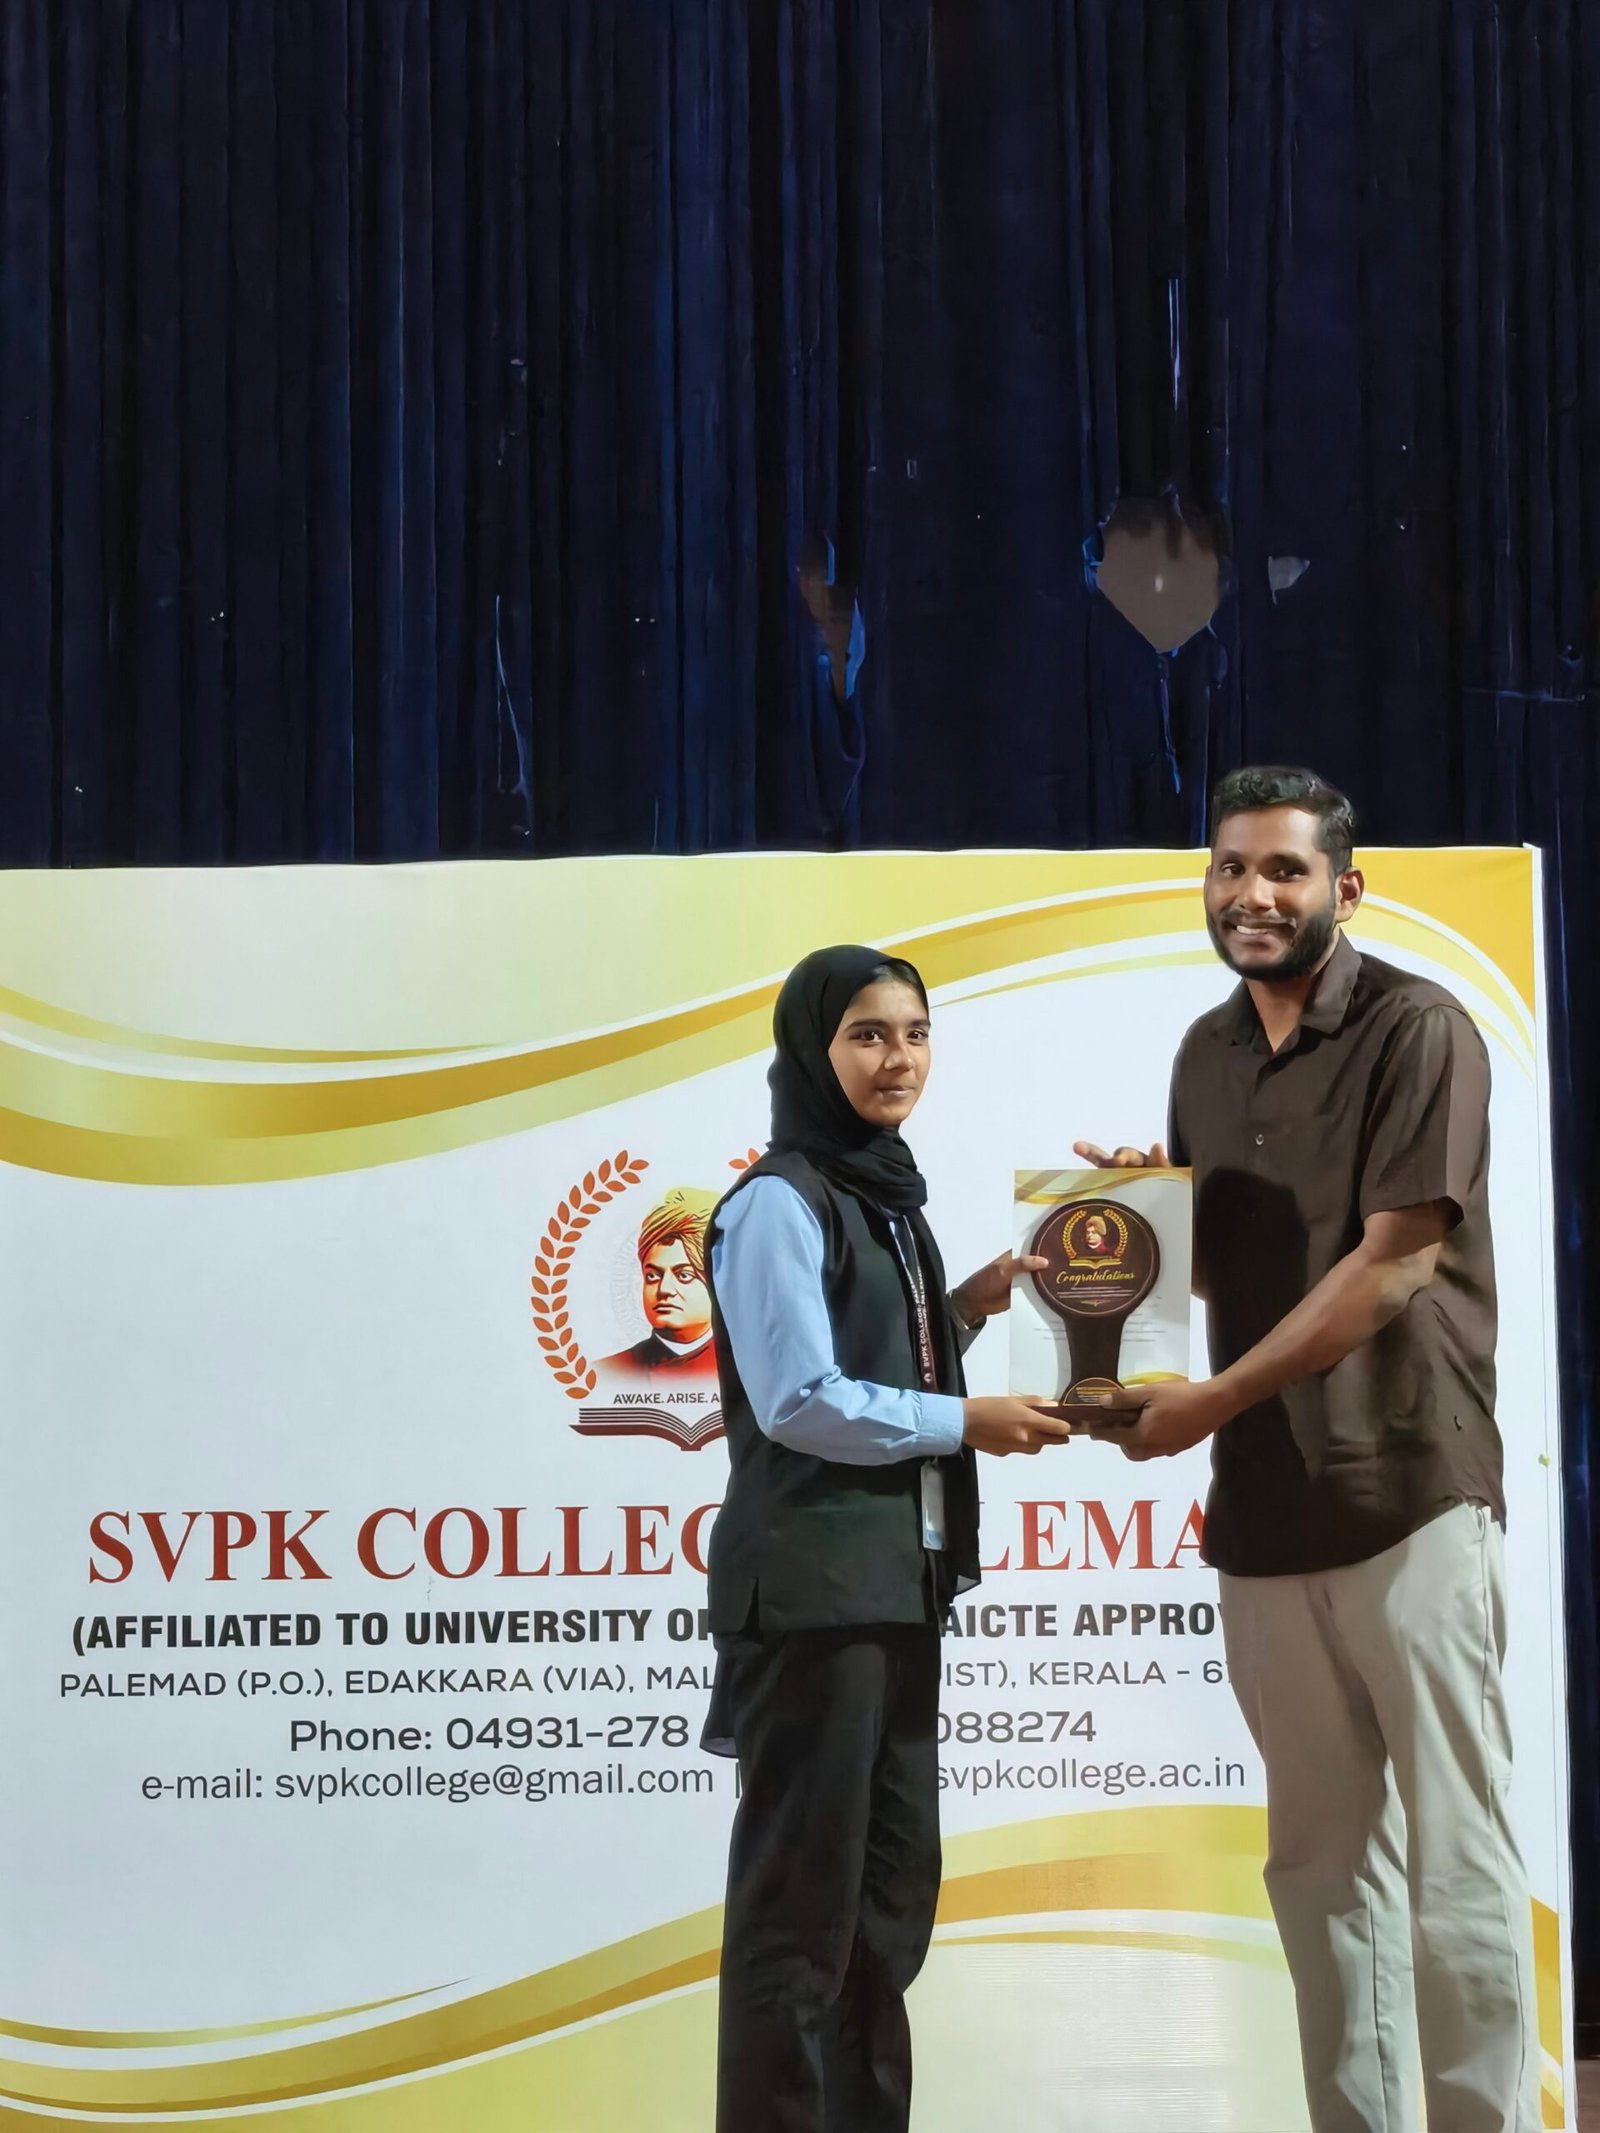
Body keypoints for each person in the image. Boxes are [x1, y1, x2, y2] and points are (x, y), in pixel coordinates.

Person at [1075, 765, 1539, 2133]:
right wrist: (1126, 1229)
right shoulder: (1203, 1052)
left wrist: (1207, 1403)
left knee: (1456, 1864)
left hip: (1409, 1493)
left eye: (1284, 870)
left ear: (1347, 887)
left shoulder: (1419, 1027)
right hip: (1266, 1512)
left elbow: (1391, 1264)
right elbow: (1228, 1266)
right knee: (1317, 1873)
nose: (1252, 895)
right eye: (1230, 867)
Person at [704, 943, 1068, 2133]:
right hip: (814, 1594)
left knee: (886, 1908)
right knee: (800, 1917)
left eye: (914, 1033)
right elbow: (800, 1398)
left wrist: (965, 1308)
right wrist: (967, 1418)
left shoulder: (885, 1197)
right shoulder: (778, 1200)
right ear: (813, 1049)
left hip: (894, 1589)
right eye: (866, 1034)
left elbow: (874, 1358)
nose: (897, 1058)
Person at [596, 1187, 718, 1384]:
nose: (664, 1290)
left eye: (684, 1275)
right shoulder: (607, 1372)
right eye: (652, 1276)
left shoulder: (747, 1369)